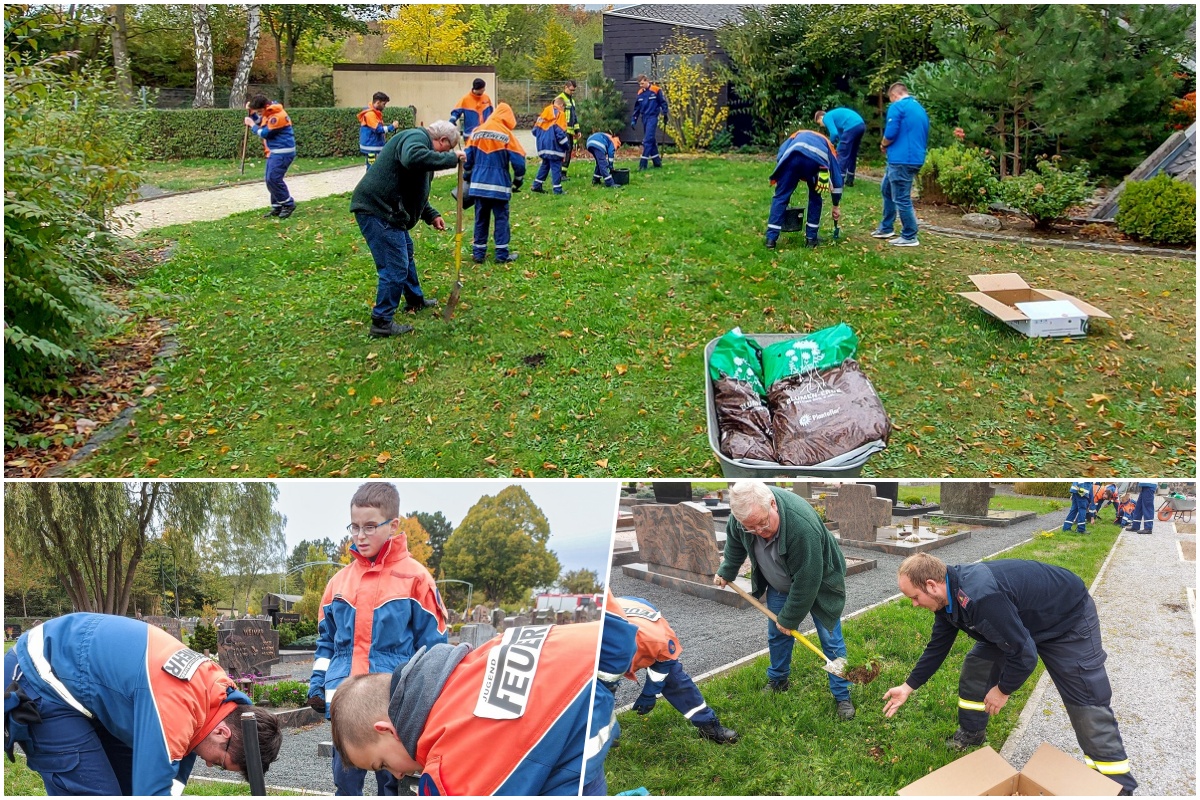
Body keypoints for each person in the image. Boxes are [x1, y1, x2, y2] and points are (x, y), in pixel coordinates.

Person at [882, 553, 1136, 795]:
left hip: (1066, 621)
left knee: (1086, 701)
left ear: (931, 585)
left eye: (914, 597)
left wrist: (1003, 690)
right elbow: (938, 646)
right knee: (977, 666)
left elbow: (1025, 655)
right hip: (1017, 622)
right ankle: (971, 732)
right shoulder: (947, 598)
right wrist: (908, 686)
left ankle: (1116, 786)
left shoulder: (982, 598)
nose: (914, 604)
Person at [3, 613, 281, 796]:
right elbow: (153, 789)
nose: (209, 766)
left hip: (87, 688)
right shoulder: (176, 705)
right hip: (41, 675)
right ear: (223, 733)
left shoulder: (215, 697)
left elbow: (168, 778)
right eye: (220, 762)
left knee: (126, 787)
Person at [329, 621, 605, 795]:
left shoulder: (450, 772)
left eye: (384, 764)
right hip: (590, 705)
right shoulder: (468, 669)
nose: (397, 775)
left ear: (387, 730)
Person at [307, 482, 448, 796]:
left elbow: (435, 650)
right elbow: (326, 642)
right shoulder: (338, 583)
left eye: (370, 526)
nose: (360, 536)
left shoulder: (416, 579)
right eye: (354, 527)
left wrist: (430, 703)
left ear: (393, 525)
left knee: (393, 782)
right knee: (345, 780)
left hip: (392, 705)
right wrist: (318, 683)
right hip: (344, 702)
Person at [713, 481, 856, 721]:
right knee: (777, 635)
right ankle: (779, 679)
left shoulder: (801, 526)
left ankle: (842, 694)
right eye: (751, 527)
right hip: (780, 584)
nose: (759, 531)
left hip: (818, 583)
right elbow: (736, 543)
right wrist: (727, 569)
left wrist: (789, 618)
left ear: (772, 504)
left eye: (763, 523)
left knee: (831, 641)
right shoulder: (743, 519)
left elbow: (808, 580)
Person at [349, 120, 465, 338]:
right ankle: (381, 322)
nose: (443, 155)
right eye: (446, 150)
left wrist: (431, 215)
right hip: (378, 211)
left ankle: (415, 300)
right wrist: (451, 159)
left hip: (392, 212)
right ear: (441, 141)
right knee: (395, 266)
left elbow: (413, 190)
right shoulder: (416, 138)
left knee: (405, 257)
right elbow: (411, 158)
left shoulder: (421, 147)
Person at [605, 593, 738, 744]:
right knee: (595, 693)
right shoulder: (588, 648)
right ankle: (597, 738)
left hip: (638, 611)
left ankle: (709, 726)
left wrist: (650, 692)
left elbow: (665, 662)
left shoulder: (655, 640)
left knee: (675, 680)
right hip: (607, 628)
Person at [464, 101, 526, 265]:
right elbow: (519, 161)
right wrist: (518, 180)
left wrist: (468, 174)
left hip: (478, 185)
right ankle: (501, 254)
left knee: (481, 218)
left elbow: (467, 157)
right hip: (499, 186)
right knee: (501, 219)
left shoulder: (477, 131)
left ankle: (478, 253)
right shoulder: (506, 134)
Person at [764, 129, 844, 249]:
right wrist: (836, 205)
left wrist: (782, 180)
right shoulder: (828, 144)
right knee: (815, 197)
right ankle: (811, 240)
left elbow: (781, 154)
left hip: (791, 158)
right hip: (816, 163)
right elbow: (837, 178)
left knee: (780, 197)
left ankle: (770, 240)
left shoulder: (796, 135)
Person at [872, 82, 929, 247]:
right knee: (887, 189)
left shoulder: (898, 107)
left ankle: (910, 235)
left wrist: (883, 144)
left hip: (902, 159)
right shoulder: (919, 108)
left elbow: (890, 132)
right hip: (914, 157)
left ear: (894, 96)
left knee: (901, 198)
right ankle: (886, 228)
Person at [244, 93, 296, 218]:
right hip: (274, 152)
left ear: (266, 106)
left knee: (273, 179)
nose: (259, 113)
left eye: (260, 111)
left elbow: (265, 133)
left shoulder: (277, 116)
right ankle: (277, 206)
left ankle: (288, 204)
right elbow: (260, 121)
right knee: (270, 179)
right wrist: (251, 114)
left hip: (283, 152)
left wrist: (251, 125)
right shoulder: (268, 113)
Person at [814, 107, 866, 186]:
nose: (822, 125)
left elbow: (834, 133)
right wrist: (838, 146)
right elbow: (841, 137)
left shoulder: (826, 117)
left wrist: (829, 145)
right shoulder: (836, 118)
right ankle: (850, 180)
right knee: (852, 153)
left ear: (821, 117)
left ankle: (838, 181)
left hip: (851, 126)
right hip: (860, 125)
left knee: (841, 154)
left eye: (819, 123)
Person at [531, 97, 570, 195]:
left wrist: (544, 138)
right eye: (564, 108)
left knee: (545, 165)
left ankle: (537, 185)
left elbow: (534, 131)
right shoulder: (560, 114)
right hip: (554, 147)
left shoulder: (544, 114)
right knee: (556, 166)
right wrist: (566, 146)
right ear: (561, 105)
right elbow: (560, 133)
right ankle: (557, 190)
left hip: (542, 146)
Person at [630, 75, 668, 170]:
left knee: (647, 140)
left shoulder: (656, 90)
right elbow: (637, 108)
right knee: (651, 140)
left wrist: (665, 112)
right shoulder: (640, 93)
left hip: (652, 117)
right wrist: (634, 120)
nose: (641, 86)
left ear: (647, 81)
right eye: (640, 84)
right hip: (644, 118)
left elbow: (662, 102)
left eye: (642, 83)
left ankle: (643, 164)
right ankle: (657, 162)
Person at [358, 91, 401, 170]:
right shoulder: (370, 114)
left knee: (374, 167)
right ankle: (371, 182)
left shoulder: (373, 113)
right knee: (372, 169)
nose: (384, 107)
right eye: (383, 104)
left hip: (372, 146)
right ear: (378, 102)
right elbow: (378, 129)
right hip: (371, 147)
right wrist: (392, 127)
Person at [556, 80, 581, 179]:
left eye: (574, 91)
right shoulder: (559, 99)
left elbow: (574, 117)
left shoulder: (572, 100)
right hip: (562, 130)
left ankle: (563, 173)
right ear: (565, 87)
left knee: (569, 151)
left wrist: (577, 130)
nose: (572, 92)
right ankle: (560, 173)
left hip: (570, 130)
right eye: (571, 90)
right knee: (564, 151)